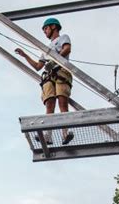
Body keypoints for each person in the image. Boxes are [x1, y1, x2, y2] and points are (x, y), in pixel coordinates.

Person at [15, 17, 74, 145]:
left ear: (53, 27)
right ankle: (48, 135)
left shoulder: (63, 38)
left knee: (62, 102)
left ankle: (65, 133)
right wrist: (25, 55)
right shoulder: (45, 49)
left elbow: (67, 49)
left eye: (46, 28)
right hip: (49, 76)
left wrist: (54, 61)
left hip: (60, 72)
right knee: (49, 104)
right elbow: (38, 66)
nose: (45, 31)